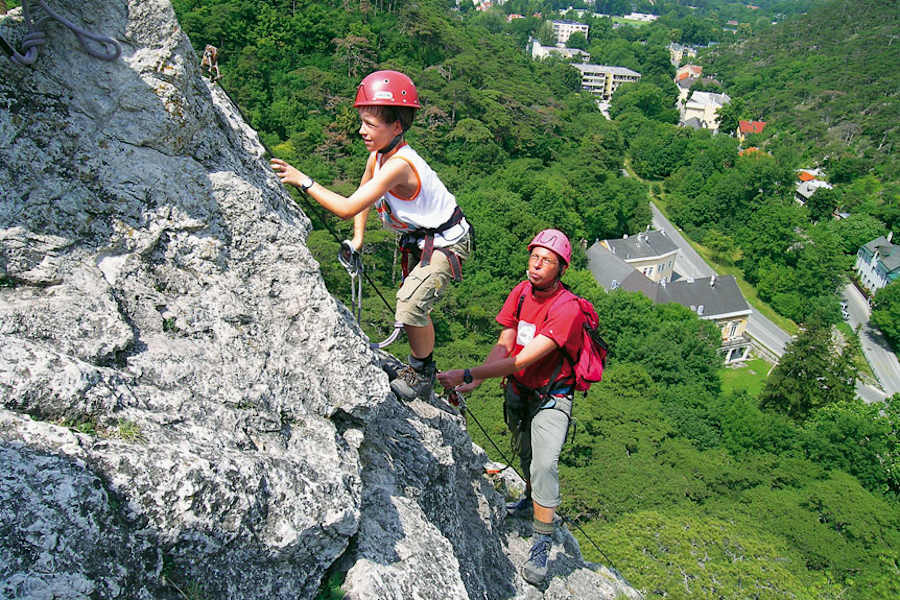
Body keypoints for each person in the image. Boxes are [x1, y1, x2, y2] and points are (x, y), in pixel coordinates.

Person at [271, 70, 473, 402]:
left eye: (371, 124)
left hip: (448, 242)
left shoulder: (399, 166)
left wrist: (303, 181)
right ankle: (418, 368)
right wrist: (359, 238)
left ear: (397, 127)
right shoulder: (379, 156)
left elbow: (348, 206)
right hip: (426, 239)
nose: (362, 131)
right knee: (412, 303)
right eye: (362, 122)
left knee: (410, 304)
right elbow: (362, 197)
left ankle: (421, 375)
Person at [436, 229, 583, 586]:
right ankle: (532, 501)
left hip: (552, 396)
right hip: (519, 391)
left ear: (560, 268)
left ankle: (542, 542)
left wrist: (469, 372)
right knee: (526, 455)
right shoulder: (520, 293)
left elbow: (522, 359)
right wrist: (479, 379)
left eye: (546, 260)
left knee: (545, 464)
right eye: (534, 256)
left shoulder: (567, 309)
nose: (536, 264)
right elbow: (505, 343)